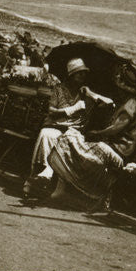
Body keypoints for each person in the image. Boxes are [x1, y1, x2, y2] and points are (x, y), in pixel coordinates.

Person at [46, 63, 136, 206]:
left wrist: (98, 133)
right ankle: (63, 189)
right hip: (116, 147)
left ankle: (73, 190)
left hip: (119, 150)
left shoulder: (131, 103)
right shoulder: (132, 103)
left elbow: (117, 127)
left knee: (70, 140)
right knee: (73, 142)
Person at [24, 57, 95, 198]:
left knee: (66, 140)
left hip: (73, 129)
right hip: (55, 125)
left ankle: (48, 177)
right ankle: (39, 173)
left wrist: (90, 95)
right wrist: (71, 109)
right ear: (71, 75)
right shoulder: (59, 89)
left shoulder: (85, 93)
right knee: (46, 134)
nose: (82, 76)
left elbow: (98, 107)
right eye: (79, 73)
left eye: (84, 73)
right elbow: (51, 111)